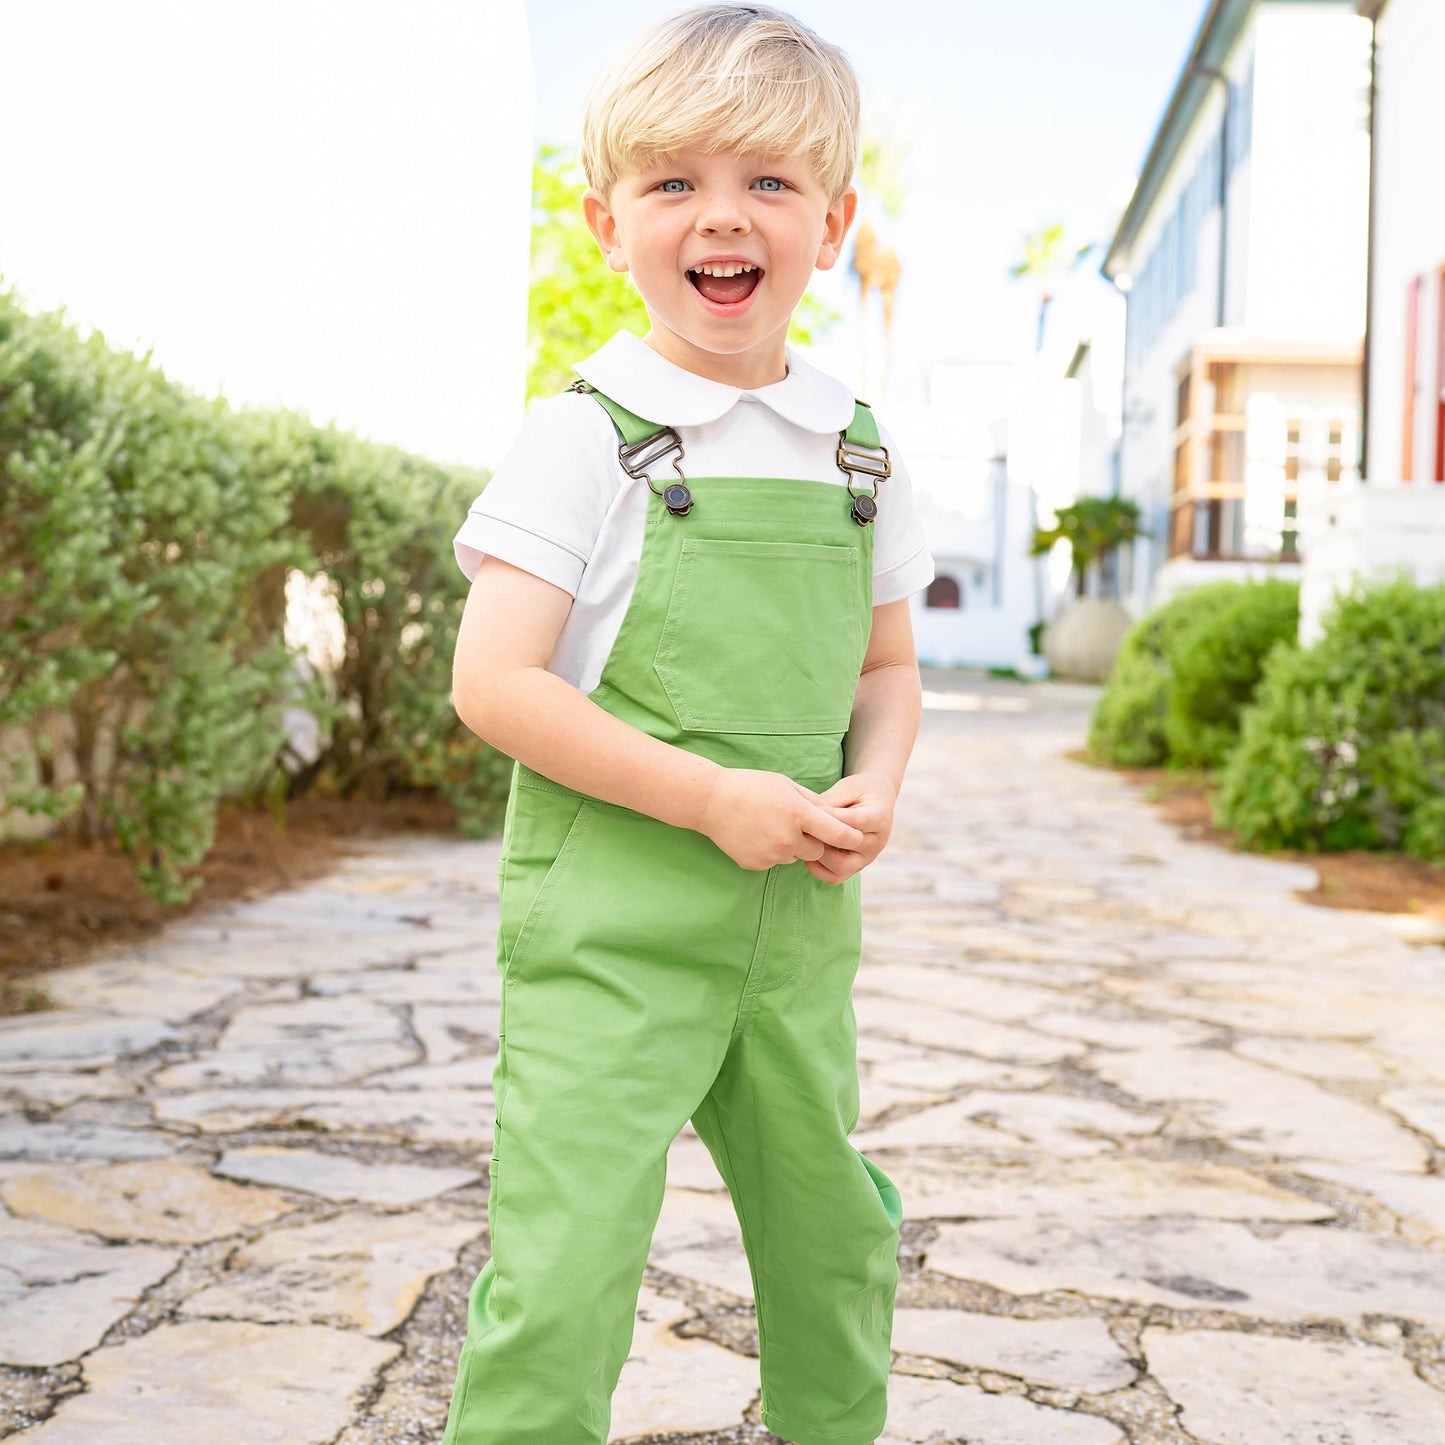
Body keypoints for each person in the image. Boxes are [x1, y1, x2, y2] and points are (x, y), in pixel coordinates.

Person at [441, 6, 935, 1442]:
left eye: (768, 183)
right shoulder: (583, 437)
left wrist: (880, 782)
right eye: (673, 183)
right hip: (613, 932)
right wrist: (710, 795)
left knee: (832, 1236)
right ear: (608, 223)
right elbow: (495, 683)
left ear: (830, 222)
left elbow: (886, 670)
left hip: (791, 939)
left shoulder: (860, 450)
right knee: (566, 1255)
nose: (721, 216)